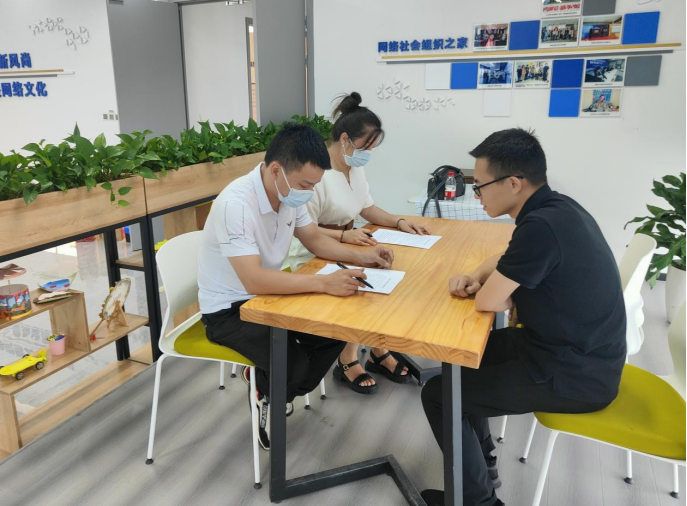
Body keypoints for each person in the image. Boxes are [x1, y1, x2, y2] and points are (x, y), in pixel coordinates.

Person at [419, 128, 626, 506]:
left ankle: (478, 502)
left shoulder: (540, 226)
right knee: (463, 361)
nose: (476, 195)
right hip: (573, 350)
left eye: (480, 186)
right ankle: (483, 464)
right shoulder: (557, 209)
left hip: (574, 373)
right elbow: (502, 261)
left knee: (440, 395)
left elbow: (487, 302)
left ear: (513, 183)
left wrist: (488, 289)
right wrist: (478, 275)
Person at [198, 124, 395, 450]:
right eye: (306, 185)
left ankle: (272, 383)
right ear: (277, 170)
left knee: (335, 331)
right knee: (293, 366)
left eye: (314, 185)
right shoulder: (237, 204)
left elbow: (314, 239)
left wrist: (364, 256)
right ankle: (267, 386)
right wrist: (323, 283)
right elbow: (253, 279)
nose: (309, 191)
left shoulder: (288, 192)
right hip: (230, 310)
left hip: (270, 296)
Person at [287, 93, 430, 394]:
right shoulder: (316, 172)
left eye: (372, 148)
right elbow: (303, 230)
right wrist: (343, 236)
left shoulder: (355, 167)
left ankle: (378, 348)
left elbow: (367, 208)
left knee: (388, 271)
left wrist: (400, 222)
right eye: (366, 147)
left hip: (349, 241)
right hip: (312, 253)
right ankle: (347, 359)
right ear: (345, 140)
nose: (368, 154)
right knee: (362, 285)